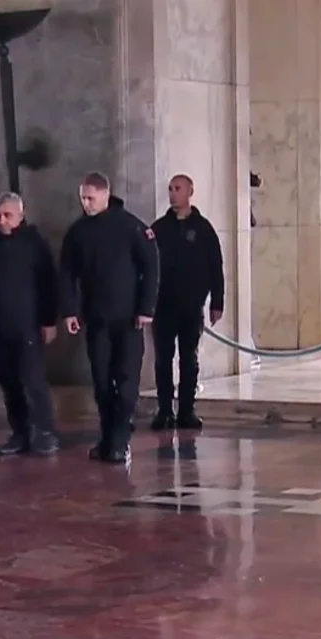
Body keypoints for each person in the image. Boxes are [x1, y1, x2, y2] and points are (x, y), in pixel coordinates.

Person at [59, 172, 159, 464]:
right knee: (102, 382)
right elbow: (67, 274)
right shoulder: (78, 232)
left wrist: (146, 308)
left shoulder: (131, 226)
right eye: (83, 198)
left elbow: (151, 267)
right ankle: (107, 438)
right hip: (96, 319)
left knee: (127, 382)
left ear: (105, 194)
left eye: (91, 198)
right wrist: (70, 310)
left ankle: (120, 440)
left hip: (129, 319)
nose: (86, 204)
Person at [0, 192, 60, 456]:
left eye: (8, 215)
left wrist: (48, 320)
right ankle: (20, 432)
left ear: (21, 215)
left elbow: (48, 284)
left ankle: (45, 432)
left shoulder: (34, 243)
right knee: (9, 384)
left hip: (27, 326)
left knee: (33, 381)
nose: (2, 220)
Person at [148, 174, 224, 431]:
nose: (173, 193)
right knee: (163, 359)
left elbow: (215, 266)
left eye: (178, 188)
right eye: (170, 188)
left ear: (190, 192)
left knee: (189, 359)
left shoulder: (203, 229)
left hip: (191, 306)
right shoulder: (159, 229)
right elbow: (147, 267)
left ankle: (187, 410)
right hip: (163, 306)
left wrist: (217, 301)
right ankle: (164, 410)